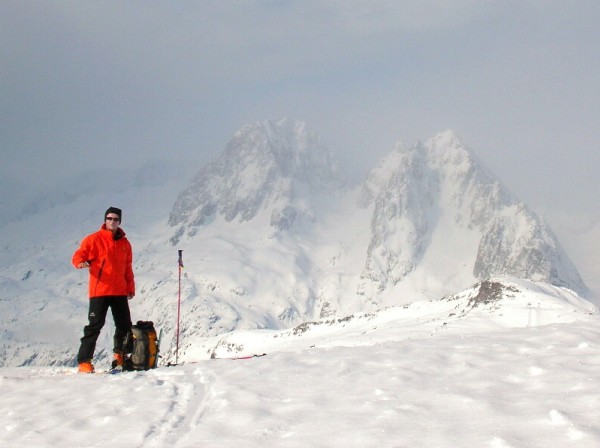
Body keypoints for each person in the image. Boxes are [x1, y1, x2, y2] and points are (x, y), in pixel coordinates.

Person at [73, 206, 135, 373]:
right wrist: (80, 262)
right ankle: (84, 362)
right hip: (99, 290)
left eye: (115, 219)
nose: (112, 221)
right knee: (94, 326)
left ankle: (120, 356)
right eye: (109, 218)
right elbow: (79, 254)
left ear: (119, 221)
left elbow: (127, 268)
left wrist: (130, 287)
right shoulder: (93, 239)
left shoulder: (125, 244)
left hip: (119, 291)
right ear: (105, 220)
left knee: (124, 325)